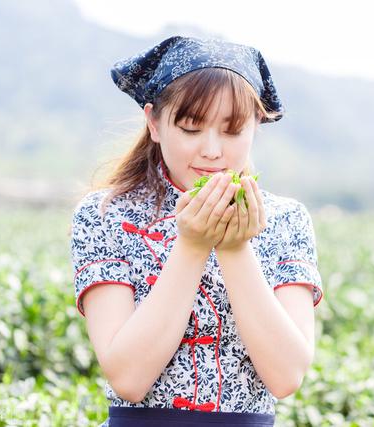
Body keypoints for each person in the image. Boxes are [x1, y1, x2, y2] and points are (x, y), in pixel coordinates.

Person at [69, 35, 324, 427]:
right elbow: (128, 379)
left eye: (232, 130)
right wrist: (191, 246)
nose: (211, 150)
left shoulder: (286, 219)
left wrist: (235, 247)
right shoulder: (106, 214)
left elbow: (287, 376)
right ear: (154, 122)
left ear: (256, 126)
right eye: (191, 128)